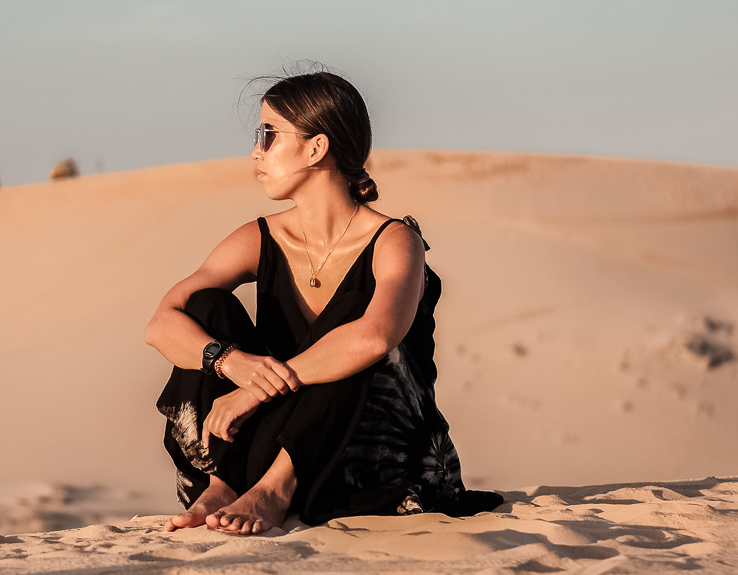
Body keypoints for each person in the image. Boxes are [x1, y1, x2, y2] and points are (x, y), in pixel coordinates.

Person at [145, 70, 501, 535]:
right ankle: (224, 483)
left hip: (369, 449)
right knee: (205, 305)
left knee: (356, 312)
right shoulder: (259, 237)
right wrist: (230, 363)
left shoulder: (396, 241)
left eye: (267, 135)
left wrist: (257, 388)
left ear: (316, 148)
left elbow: (375, 337)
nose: (256, 151)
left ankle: (275, 489)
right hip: (263, 439)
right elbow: (161, 323)